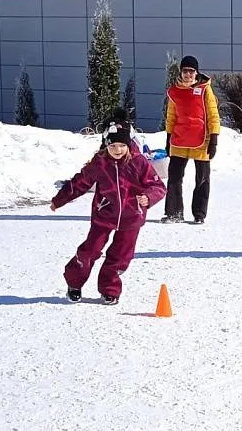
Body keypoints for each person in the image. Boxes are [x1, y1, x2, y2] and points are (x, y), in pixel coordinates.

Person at [51, 124, 167, 304]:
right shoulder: (100, 162)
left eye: (122, 146)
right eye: (113, 146)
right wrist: (59, 200)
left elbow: (158, 186)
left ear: (129, 144)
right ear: (106, 145)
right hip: (104, 215)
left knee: (120, 256)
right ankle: (74, 283)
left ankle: (109, 290)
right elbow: (80, 182)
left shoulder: (139, 162)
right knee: (90, 250)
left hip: (132, 217)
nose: (117, 150)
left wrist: (148, 197)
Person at [163, 55, 220, 224]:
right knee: (174, 177)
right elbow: (171, 116)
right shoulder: (174, 91)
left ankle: (199, 214)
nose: (188, 74)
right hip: (179, 139)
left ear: (196, 73)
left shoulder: (204, 89)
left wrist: (214, 139)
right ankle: (174, 213)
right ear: (181, 72)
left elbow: (213, 114)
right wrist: (168, 137)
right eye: (185, 71)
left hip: (202, 140)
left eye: (191, 71)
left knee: (202, 178)